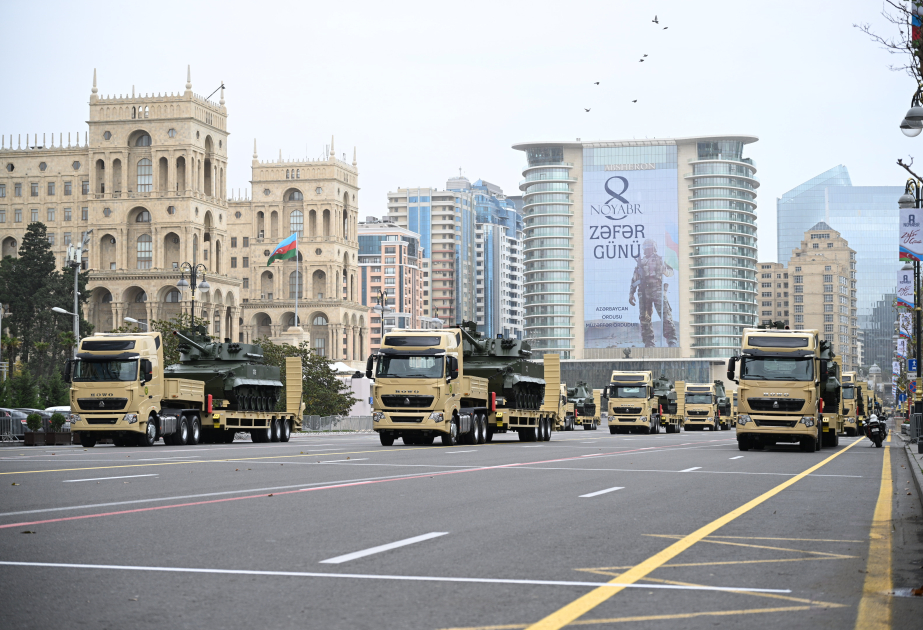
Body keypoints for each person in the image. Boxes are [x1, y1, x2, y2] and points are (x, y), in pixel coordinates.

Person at [628, 238, 678, 347]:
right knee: (644, 318)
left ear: (654, 248)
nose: (647, 249)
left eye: (649, 247)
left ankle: (671, 340)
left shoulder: (660, 260)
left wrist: (664, 270)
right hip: (643, 292)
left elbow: (671, 273)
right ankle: (649, 342)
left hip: (657, 289)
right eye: (646, 247)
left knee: (665, 315)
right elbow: (634, 279)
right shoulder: (640, 262)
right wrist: (631, 293)